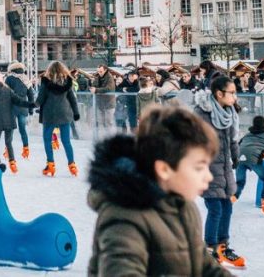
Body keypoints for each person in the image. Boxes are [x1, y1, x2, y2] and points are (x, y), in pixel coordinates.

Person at [87, 105, 228, 276]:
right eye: (199, 168)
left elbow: (204, 266)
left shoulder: (184, 208)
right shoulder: (124, 217)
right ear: (164, 169)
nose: (209, 177)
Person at [193, 75, 245, 269]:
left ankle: (222, 247)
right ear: (219, 93)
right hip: (207, 169)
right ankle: (208, 250)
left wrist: (236, 156)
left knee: (227, 207)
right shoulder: (202, 113)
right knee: (215, 209)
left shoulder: (228, 111)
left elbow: (232, 139)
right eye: (232, 93)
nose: (235, 97)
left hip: (224, 168)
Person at [0, 69, 35, 173]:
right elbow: (19, 101)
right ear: (2, 80)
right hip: (9, 119)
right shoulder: (8, 90)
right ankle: (12, 163)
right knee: (8, 142)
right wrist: (30, 104)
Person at [36, 61, 80, 177]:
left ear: (49, 70)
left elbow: (40, 99)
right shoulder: (68, 82)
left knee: (47, 139)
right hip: (65, 115)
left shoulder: (46, 82)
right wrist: (76, 113)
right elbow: (72, 99)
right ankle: (72, 165)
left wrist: (33, 105)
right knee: (66, 141)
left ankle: (50, 164)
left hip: (49, 115)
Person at [232, 115, 264, 215]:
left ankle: (232, 198)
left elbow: (240, 145)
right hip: (252, 159)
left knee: (240, 182)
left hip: (239, 158)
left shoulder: (248, 134)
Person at [5, 63, 33, 159]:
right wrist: (31, 110)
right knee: (23, 130)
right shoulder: (26, 79)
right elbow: (31, 96)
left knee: (10, 130)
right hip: (23, 107)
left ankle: (8, 151)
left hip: (12, 107)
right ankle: (26, 149)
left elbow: (5, 93)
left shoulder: (9, 78)